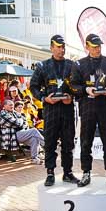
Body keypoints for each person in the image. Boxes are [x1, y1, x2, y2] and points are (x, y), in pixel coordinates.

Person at [71, 33, 106, 187]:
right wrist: (86, 89)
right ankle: (86, 172)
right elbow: (73, 86)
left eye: (99, 46)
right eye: (94, 47)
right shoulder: (79, 64)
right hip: (87, 107)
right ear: (87, 47)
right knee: (85, 141)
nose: (97, 49)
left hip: (105, 107)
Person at [30, 35, 79, 186]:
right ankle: (50, 172)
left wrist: (72, 96)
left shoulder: (72, 65)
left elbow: (79, 86)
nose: (61, 50)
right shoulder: (42, 66)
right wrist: (44, 98)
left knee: (68, 143)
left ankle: (67, 172)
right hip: (50, 110)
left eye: (63, 47)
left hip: (67, 110)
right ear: (51, 47)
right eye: (58, 47)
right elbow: (33, 86)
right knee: (50, 142)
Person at [0, 100, 44, 164]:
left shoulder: (14, 112)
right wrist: (20, 122)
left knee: (34, 139)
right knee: (34, 130)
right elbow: (16, 123)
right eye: (10, 105)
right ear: (4, 106)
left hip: (20, 134)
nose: (12, 106)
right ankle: (46, 145)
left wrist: (20, 122)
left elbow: (24, 121)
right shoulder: (3, 114)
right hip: (12, 136)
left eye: (12, 105)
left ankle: (34, 158)